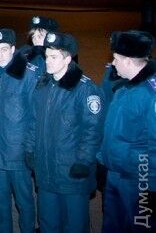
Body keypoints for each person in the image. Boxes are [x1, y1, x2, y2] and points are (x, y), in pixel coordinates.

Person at [28, 32, 104, 233]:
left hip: (72, 172)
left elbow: (93, 130)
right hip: (46, 170)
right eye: (46, 57)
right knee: (48, 223)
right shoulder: (43, 84)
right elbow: (34, 122)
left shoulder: (85, 89)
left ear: (68, 59)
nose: (48, 62)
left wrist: (84, 161)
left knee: (75, 225)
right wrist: (30, 150)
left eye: (54, 57)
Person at [0, 29, 38, 233]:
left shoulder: (29, 75)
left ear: (13, 48)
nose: (0, 55)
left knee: (24, 202)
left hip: (17, 151)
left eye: (4, 49)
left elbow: (35, 117)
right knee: (1, 203)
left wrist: (30, 148)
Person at [98, 30, 155, 233]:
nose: (112, 64)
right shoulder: (123, 89)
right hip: (114, 173)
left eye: (115, 59)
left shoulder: (151, 95)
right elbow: (112, 131)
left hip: (139, 181)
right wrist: (102, 157)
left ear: (129, 61)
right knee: (112, 226)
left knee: (140, 227)